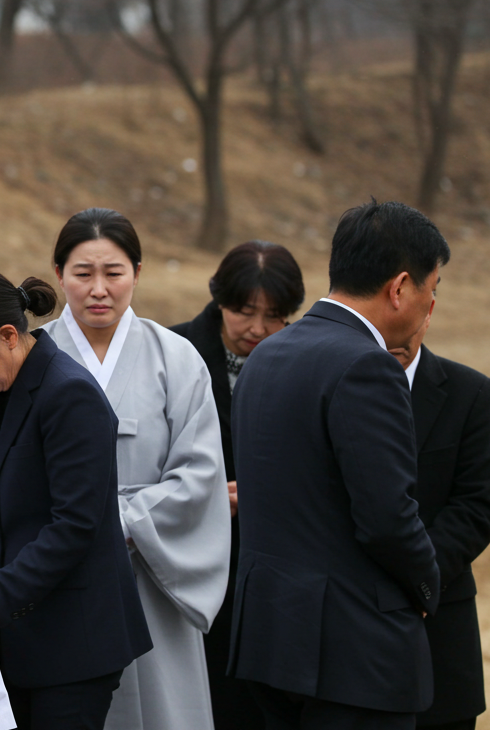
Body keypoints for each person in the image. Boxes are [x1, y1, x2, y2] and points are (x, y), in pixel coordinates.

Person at [229, 200, 448, 730]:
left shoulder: (267, 355)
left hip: (270, 637)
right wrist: (426, 586)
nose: (431, 305)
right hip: (352, 651)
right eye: (432, 288)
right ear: (400, 288)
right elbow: (387, 518)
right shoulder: (367, 366)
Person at [0, 263, 151, 730]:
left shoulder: (70, 394)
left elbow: (74, 526)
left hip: (76, 635)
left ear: (7, 336)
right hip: (28, 628)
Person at [41, 208, 229, 730]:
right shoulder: (28, 358)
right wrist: (72, 530)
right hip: (60, 572)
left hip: (150, 568)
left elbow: (200, 473)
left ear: (138, 273)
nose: (98, 289)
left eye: (114, 272)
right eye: (83, 273)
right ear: (59, 274)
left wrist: (123, 522)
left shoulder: (178, 358)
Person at [169, 240, 306, 730]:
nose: (258, 329)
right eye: (245, 312)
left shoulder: (306, 360)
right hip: (193, 556)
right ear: (220, 299)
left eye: (274, 316)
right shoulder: (176, 352)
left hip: (278, 561)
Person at [390, 315, 490, 730]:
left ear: (429, 311)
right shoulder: (328, 385)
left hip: (440, 629)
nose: (397, 334)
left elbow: (477, 505)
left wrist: (418, 578)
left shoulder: (469, 392)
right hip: (347, 631)